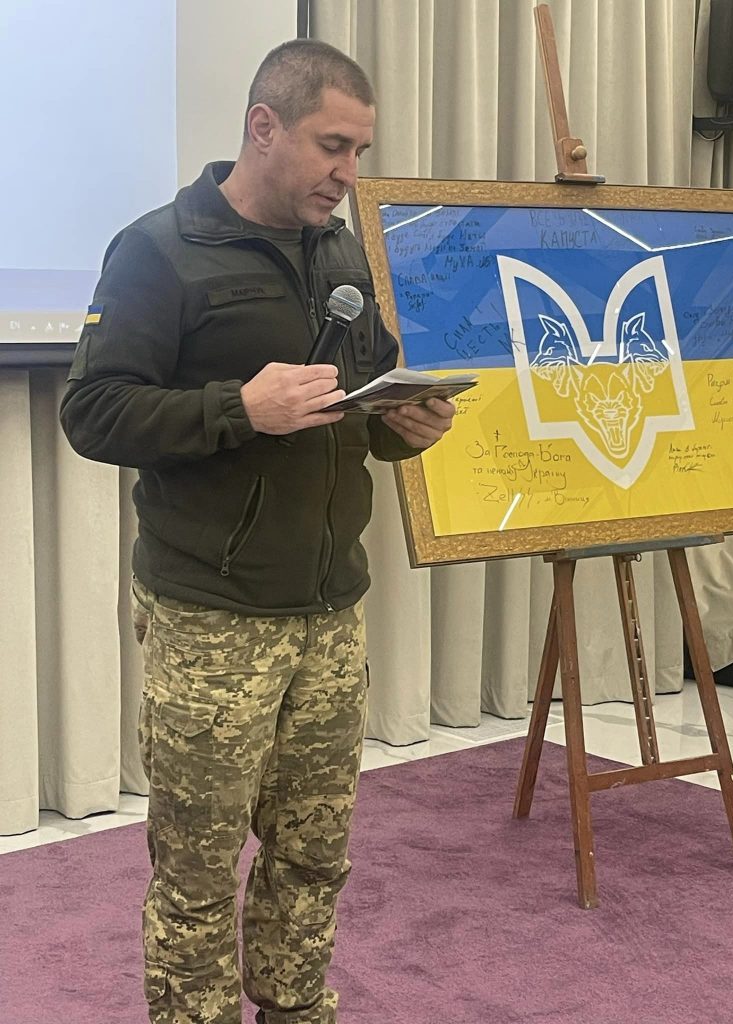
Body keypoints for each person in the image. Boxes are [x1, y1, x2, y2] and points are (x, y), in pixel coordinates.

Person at [60, 39, 455, 1024]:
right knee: (198, 869)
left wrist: (405, 427)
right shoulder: (159, 251)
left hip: (330, 610)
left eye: (360, 151)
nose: (348, 173)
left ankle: (294, 1006)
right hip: (212, 617)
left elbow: (360, 407)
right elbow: (93, 412)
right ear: (263, 127)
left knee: (313, 854)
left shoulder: (340, 255)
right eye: (333, 146)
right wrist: (239, 408)